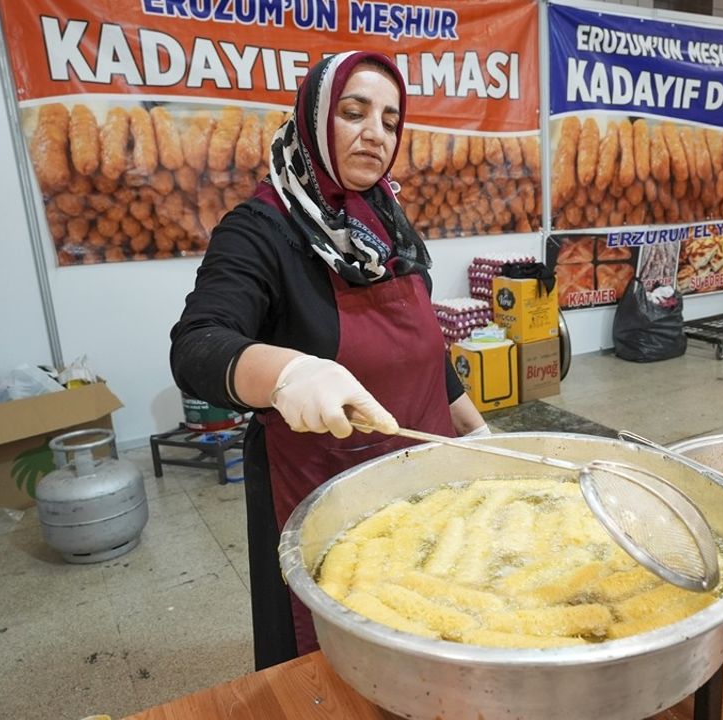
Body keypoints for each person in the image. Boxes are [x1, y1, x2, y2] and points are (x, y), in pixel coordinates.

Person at [169, 51, 487, 670]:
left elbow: (422, 347)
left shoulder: (385, 222)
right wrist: (288, 373)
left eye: (391, 120)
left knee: (438, 635)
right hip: (326, 497)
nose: (376, 133)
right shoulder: (261, 230)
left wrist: (473, 425)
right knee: (344, 662)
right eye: (353, 111)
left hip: (428, 484)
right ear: (315, 118)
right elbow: (197, 343)